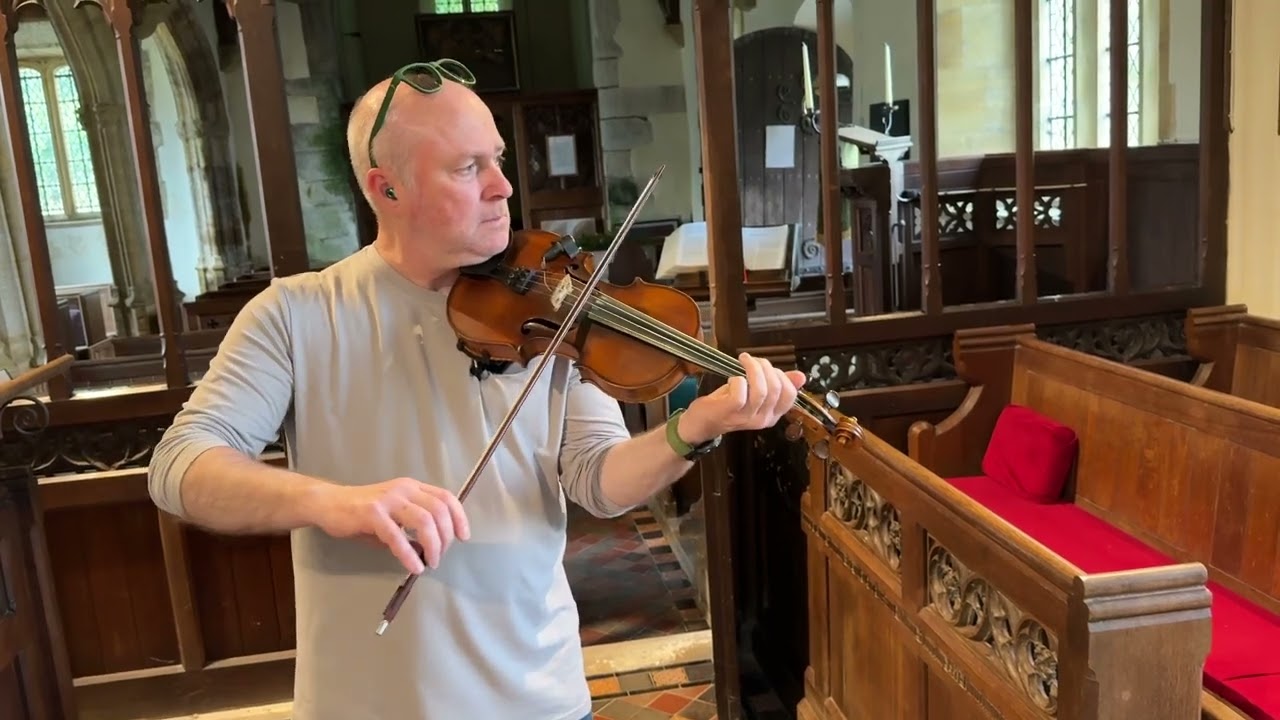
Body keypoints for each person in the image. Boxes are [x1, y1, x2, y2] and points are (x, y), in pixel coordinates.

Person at [147, 59, 806, 720]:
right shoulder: (296, 314)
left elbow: (600, 480)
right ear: (387, 188)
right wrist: (330, 503)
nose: (503, 187)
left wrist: (694, 426)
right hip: (366, 705)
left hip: (539, 699)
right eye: (467, 168)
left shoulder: (555, 304)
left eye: (496, 159)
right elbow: (181, 464)